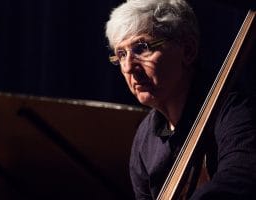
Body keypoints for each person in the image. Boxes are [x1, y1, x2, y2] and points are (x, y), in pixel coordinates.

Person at [105, 0, 256, 199]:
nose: (128, 67)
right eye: (121, 54)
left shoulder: (233, 110)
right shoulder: (144, 139)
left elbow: (241, 178)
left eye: (141, 48)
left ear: (188, 50)